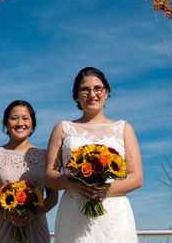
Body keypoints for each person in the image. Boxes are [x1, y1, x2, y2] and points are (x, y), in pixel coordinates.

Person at [45, 67, 142, 243]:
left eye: (98, 88)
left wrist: (106, 190)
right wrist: (72, 183)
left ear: (106, 93)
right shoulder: (63, 128)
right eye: (85, 89)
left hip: (114, 214)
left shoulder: (123, 128)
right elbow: (49, 175)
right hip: (74, 211)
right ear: (76, 95)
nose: (92, 94)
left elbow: (136, 177)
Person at [0, 100, 58, 243]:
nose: (20, 123)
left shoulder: (45, 156)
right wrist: (6, 215)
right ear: (6, 123)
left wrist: (34, 214)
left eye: (25, 118)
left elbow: (53, 197)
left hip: (36, 226)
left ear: (32, 124)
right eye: (14, 118)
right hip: (1, 228)